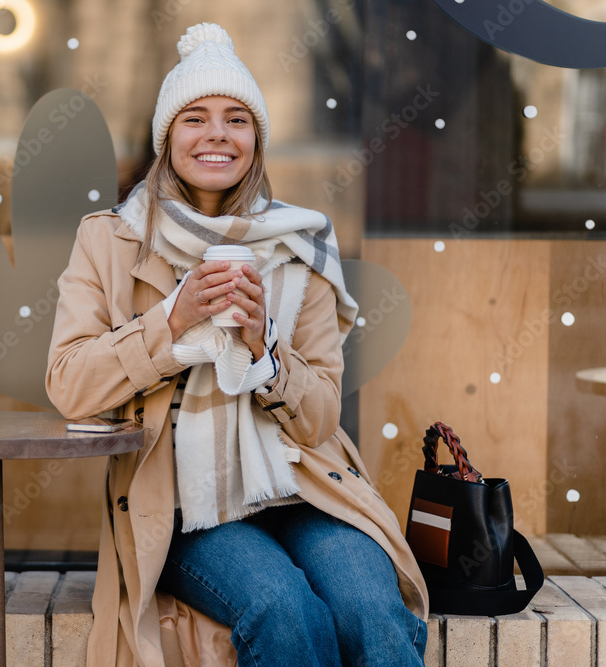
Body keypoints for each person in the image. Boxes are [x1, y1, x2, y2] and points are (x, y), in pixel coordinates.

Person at [46, 22, 428, 667]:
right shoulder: (110, 241)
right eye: (195, 118)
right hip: (187, 506)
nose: (217, 134)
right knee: (283, 609)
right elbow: (70, 383)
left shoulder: (299, 244)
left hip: (306, 489)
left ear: (257, 140)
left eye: (237, 119)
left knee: (372, 609)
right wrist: (171, 321)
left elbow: (321, 419)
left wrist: (263, 351)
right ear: (168, 138)